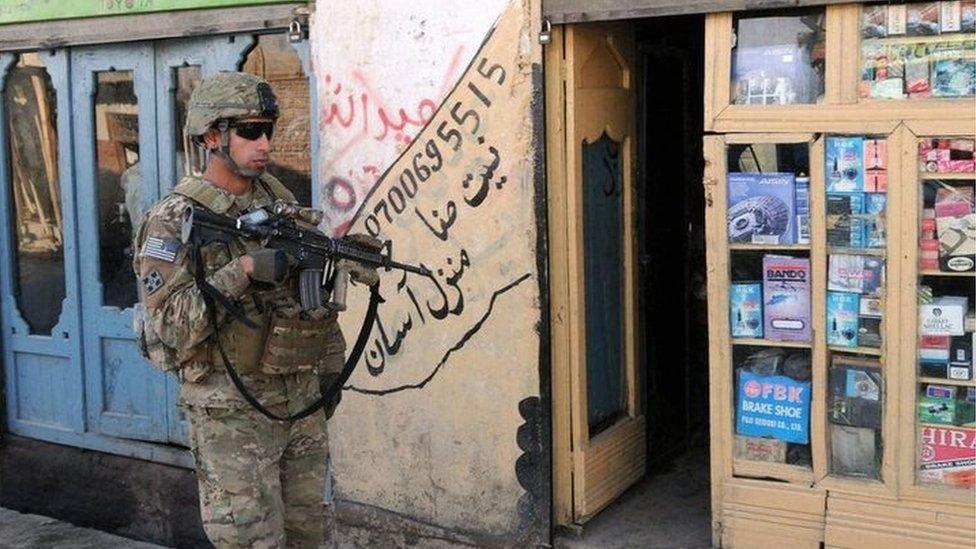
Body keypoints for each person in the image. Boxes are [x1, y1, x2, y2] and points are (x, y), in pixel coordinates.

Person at [132, 71, 362, 548]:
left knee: (309, 535)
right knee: (252, 541)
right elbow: (171, 327)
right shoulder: (175, 220)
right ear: (212, 136)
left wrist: (338, 262)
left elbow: (303, 302)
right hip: (231, 413)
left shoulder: (278, 202)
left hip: (297, 399)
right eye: (250, 131)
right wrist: (243, 270)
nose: (264, 143)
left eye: (269, 130)